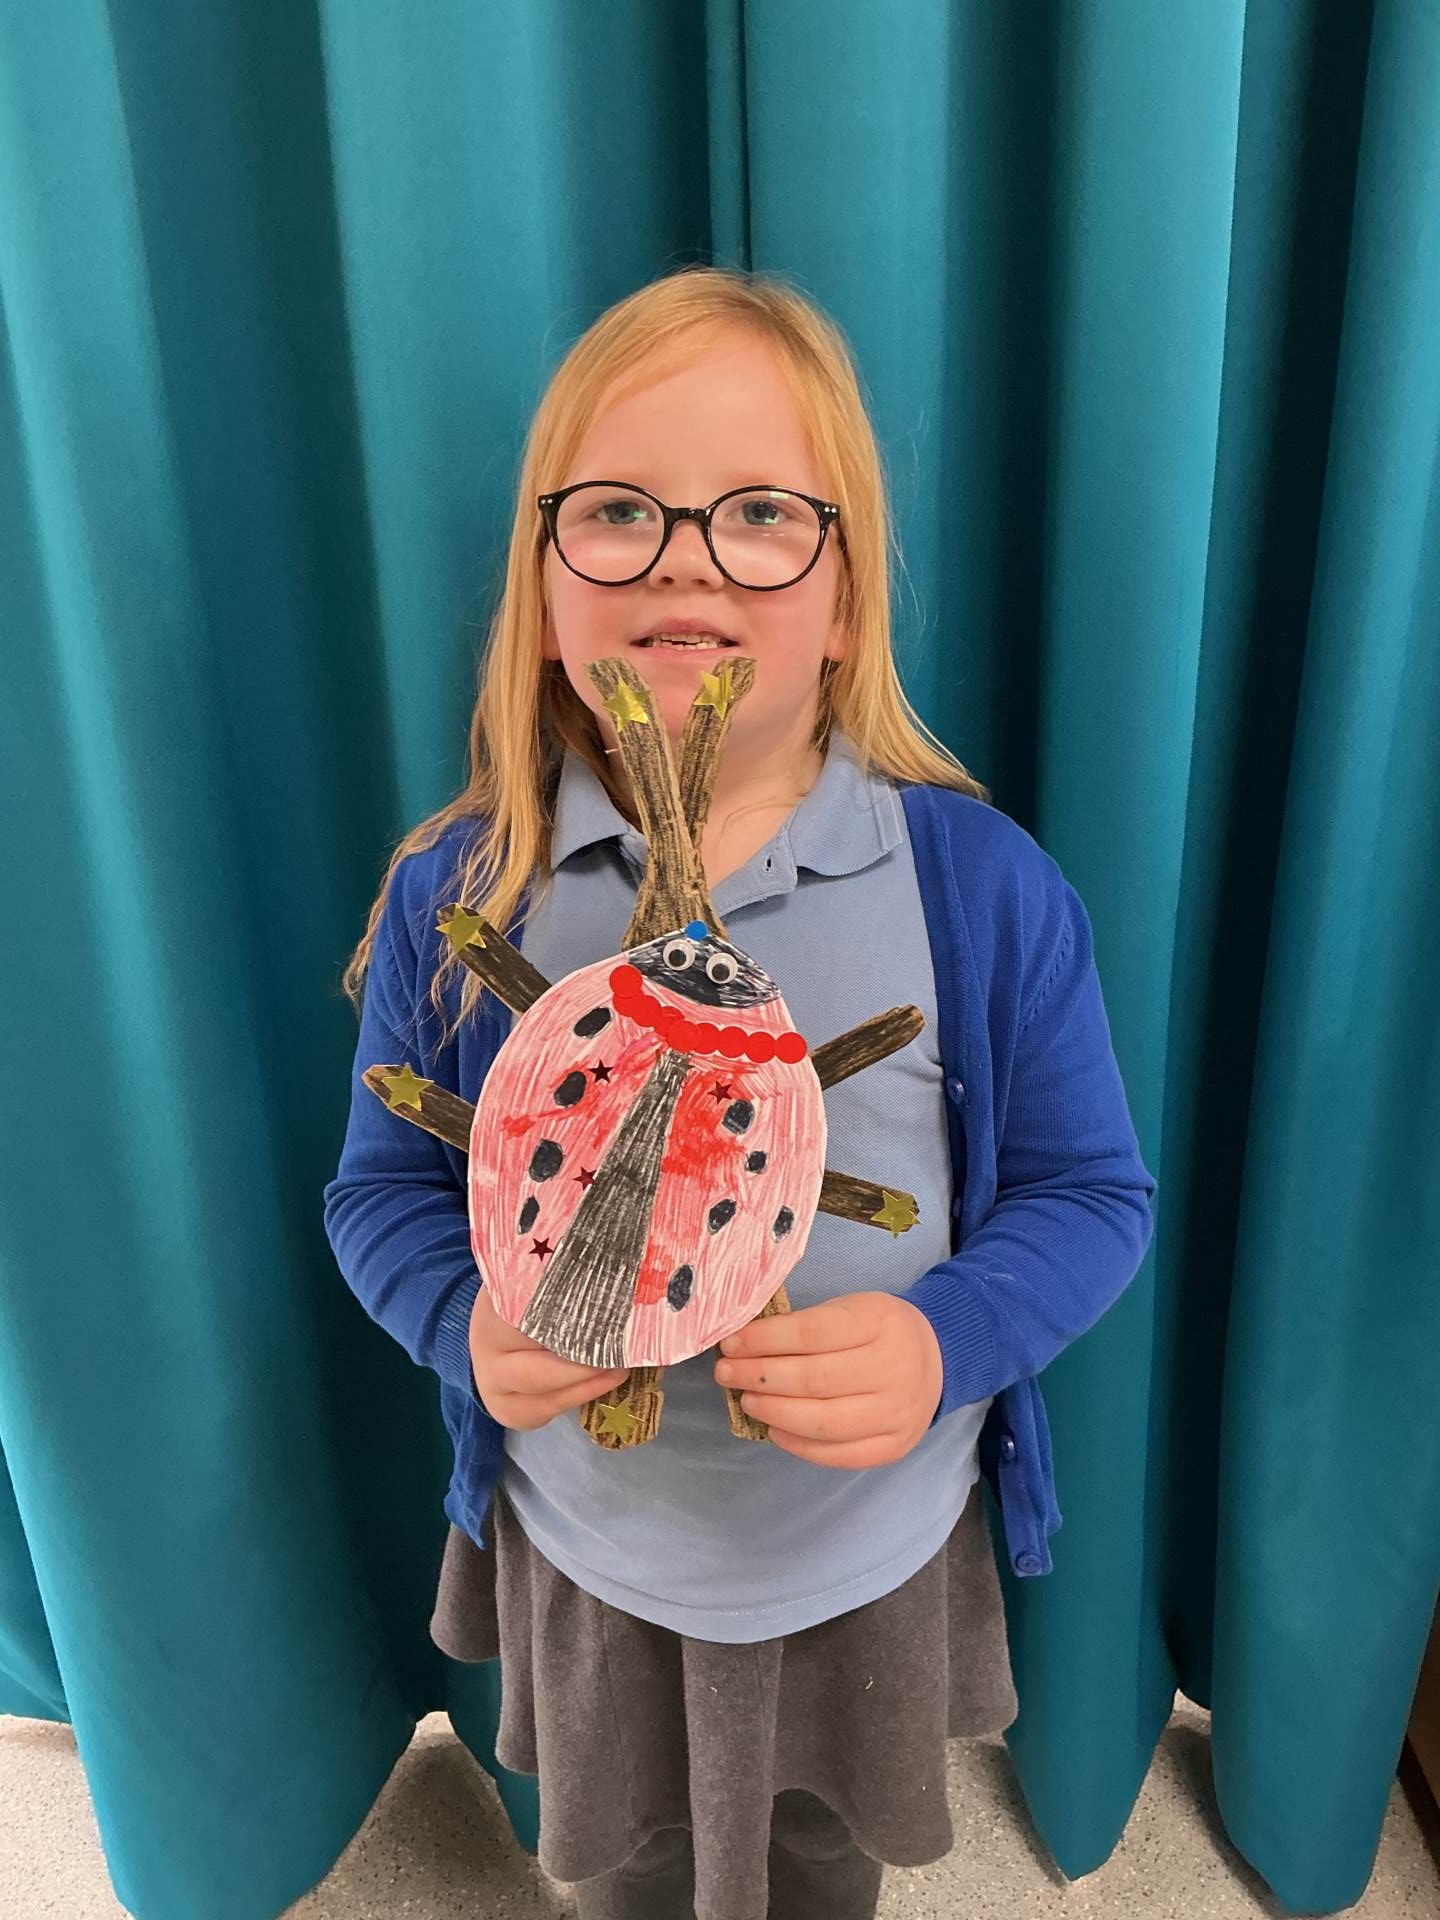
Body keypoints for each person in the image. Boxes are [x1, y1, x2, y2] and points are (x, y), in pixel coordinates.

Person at [323, 265, 1158, 1920]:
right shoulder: (461, 894)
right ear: (543, 585)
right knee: (623, 1871)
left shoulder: (978, 887)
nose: (687, 557)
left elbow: (1092, 1194)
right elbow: (382, 1190)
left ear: (845, 599)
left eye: (764, 512)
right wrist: (463, 1323)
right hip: (595, 1553)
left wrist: (944, 1342)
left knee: (826, 1868)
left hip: (866, 1556)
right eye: (617, 511)